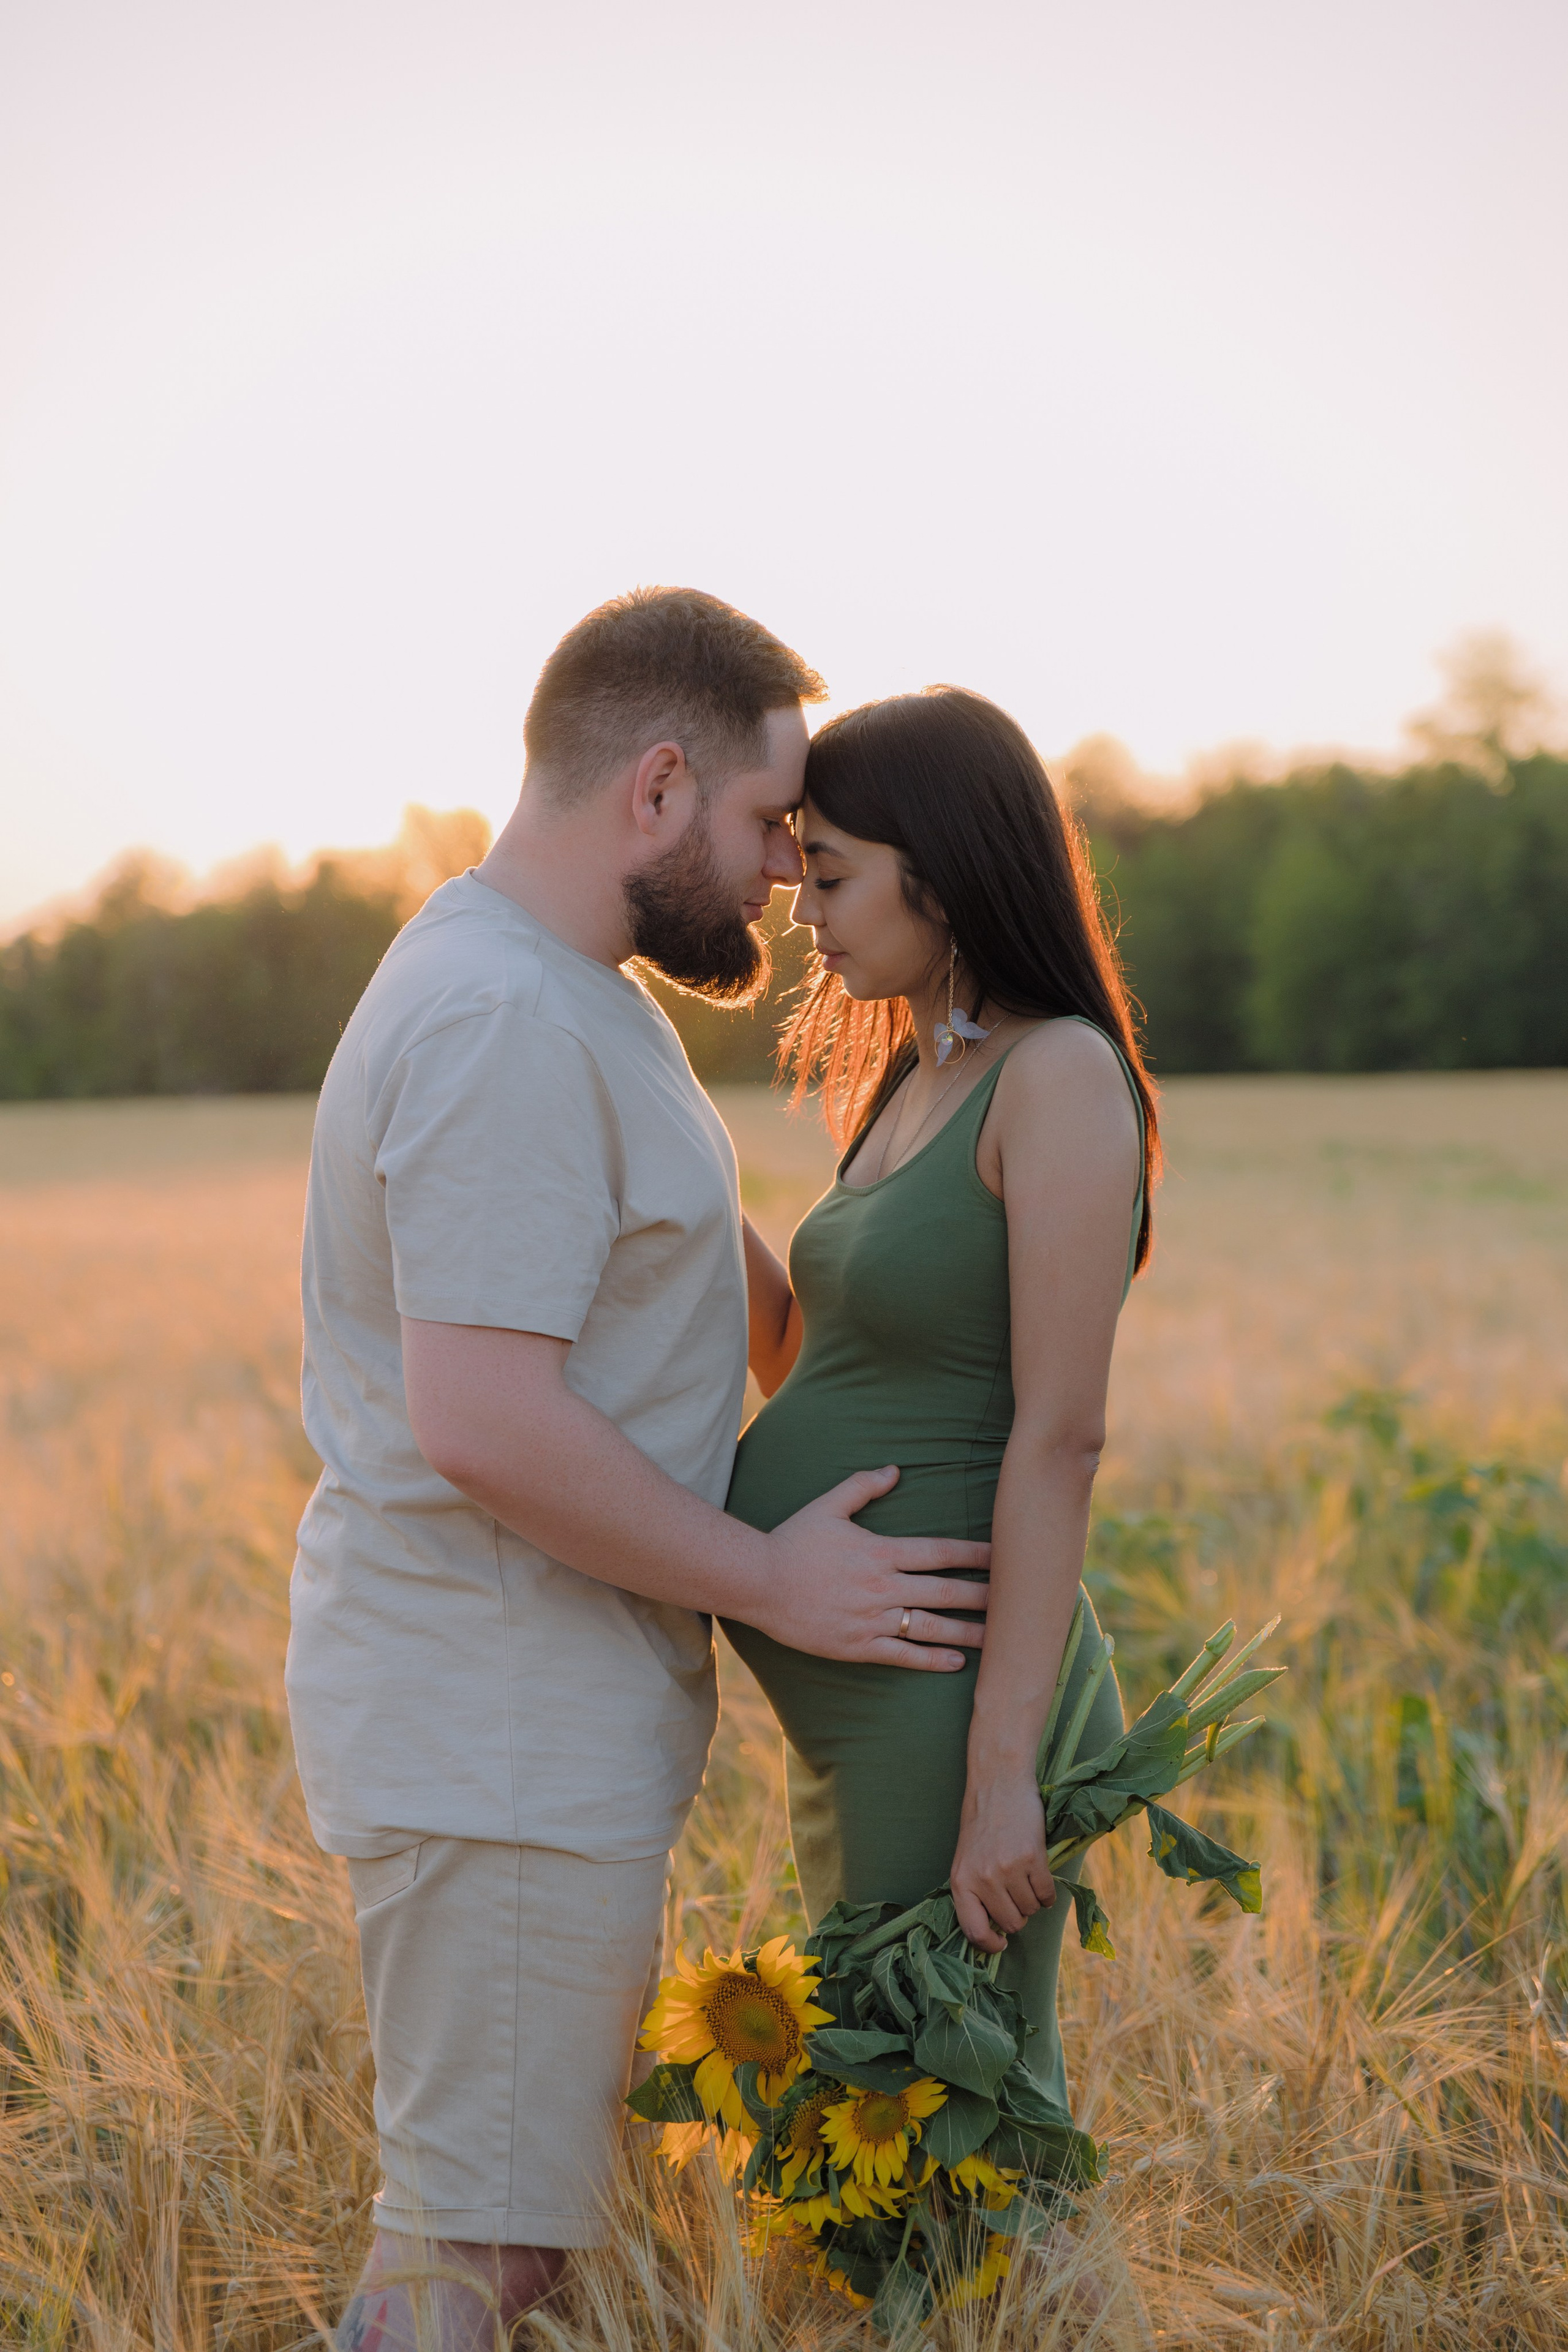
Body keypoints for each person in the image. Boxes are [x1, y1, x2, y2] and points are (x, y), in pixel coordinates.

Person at [286, 589, 997, 2352]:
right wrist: (773, 1580)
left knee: (503, 2234)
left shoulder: (568, 1000)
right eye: (769, 822)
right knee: (477, 2253)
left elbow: (714, 1293)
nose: (783, 871)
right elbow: (483, 1417)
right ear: (660, 786)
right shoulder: (504, 1022)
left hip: (533, 1727)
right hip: (497, 1730)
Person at [726, 684, 1159, 2131]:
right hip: (859, 1714)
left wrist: (998, 1779)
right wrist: (670, 1190)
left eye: (833, 872)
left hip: (951, 1703)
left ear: (946, 865)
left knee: (959, 2137)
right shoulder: (917, 1079)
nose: (804, 909)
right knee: (883, 2143)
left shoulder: (1055, 1077)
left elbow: (1058, 1434)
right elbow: (824, 1371)